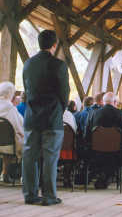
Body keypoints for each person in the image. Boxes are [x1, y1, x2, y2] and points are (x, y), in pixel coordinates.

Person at [22, 30, 70, 206]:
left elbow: (27, 90)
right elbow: (64, 93)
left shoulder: (28, 64)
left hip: (32, 116)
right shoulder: (59, 65)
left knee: (29, 157)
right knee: (50, 157)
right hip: (52, 117)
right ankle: (49, 196)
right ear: (54, 45)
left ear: (39, 43)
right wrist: (60, 109)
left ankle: (30, 194)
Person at [86, 92, 122, 189]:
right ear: (115, 102)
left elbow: (87, 133)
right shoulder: (120, 114)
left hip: (96, 151)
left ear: (103, 102)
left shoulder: (94, 113)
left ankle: (101, 176)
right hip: (116, 152)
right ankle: (106, 176)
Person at [0, 82, 24, 183]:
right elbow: (19, 126)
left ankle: (4, 173)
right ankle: (6, 174)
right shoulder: (11, 109)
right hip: (8, 144)